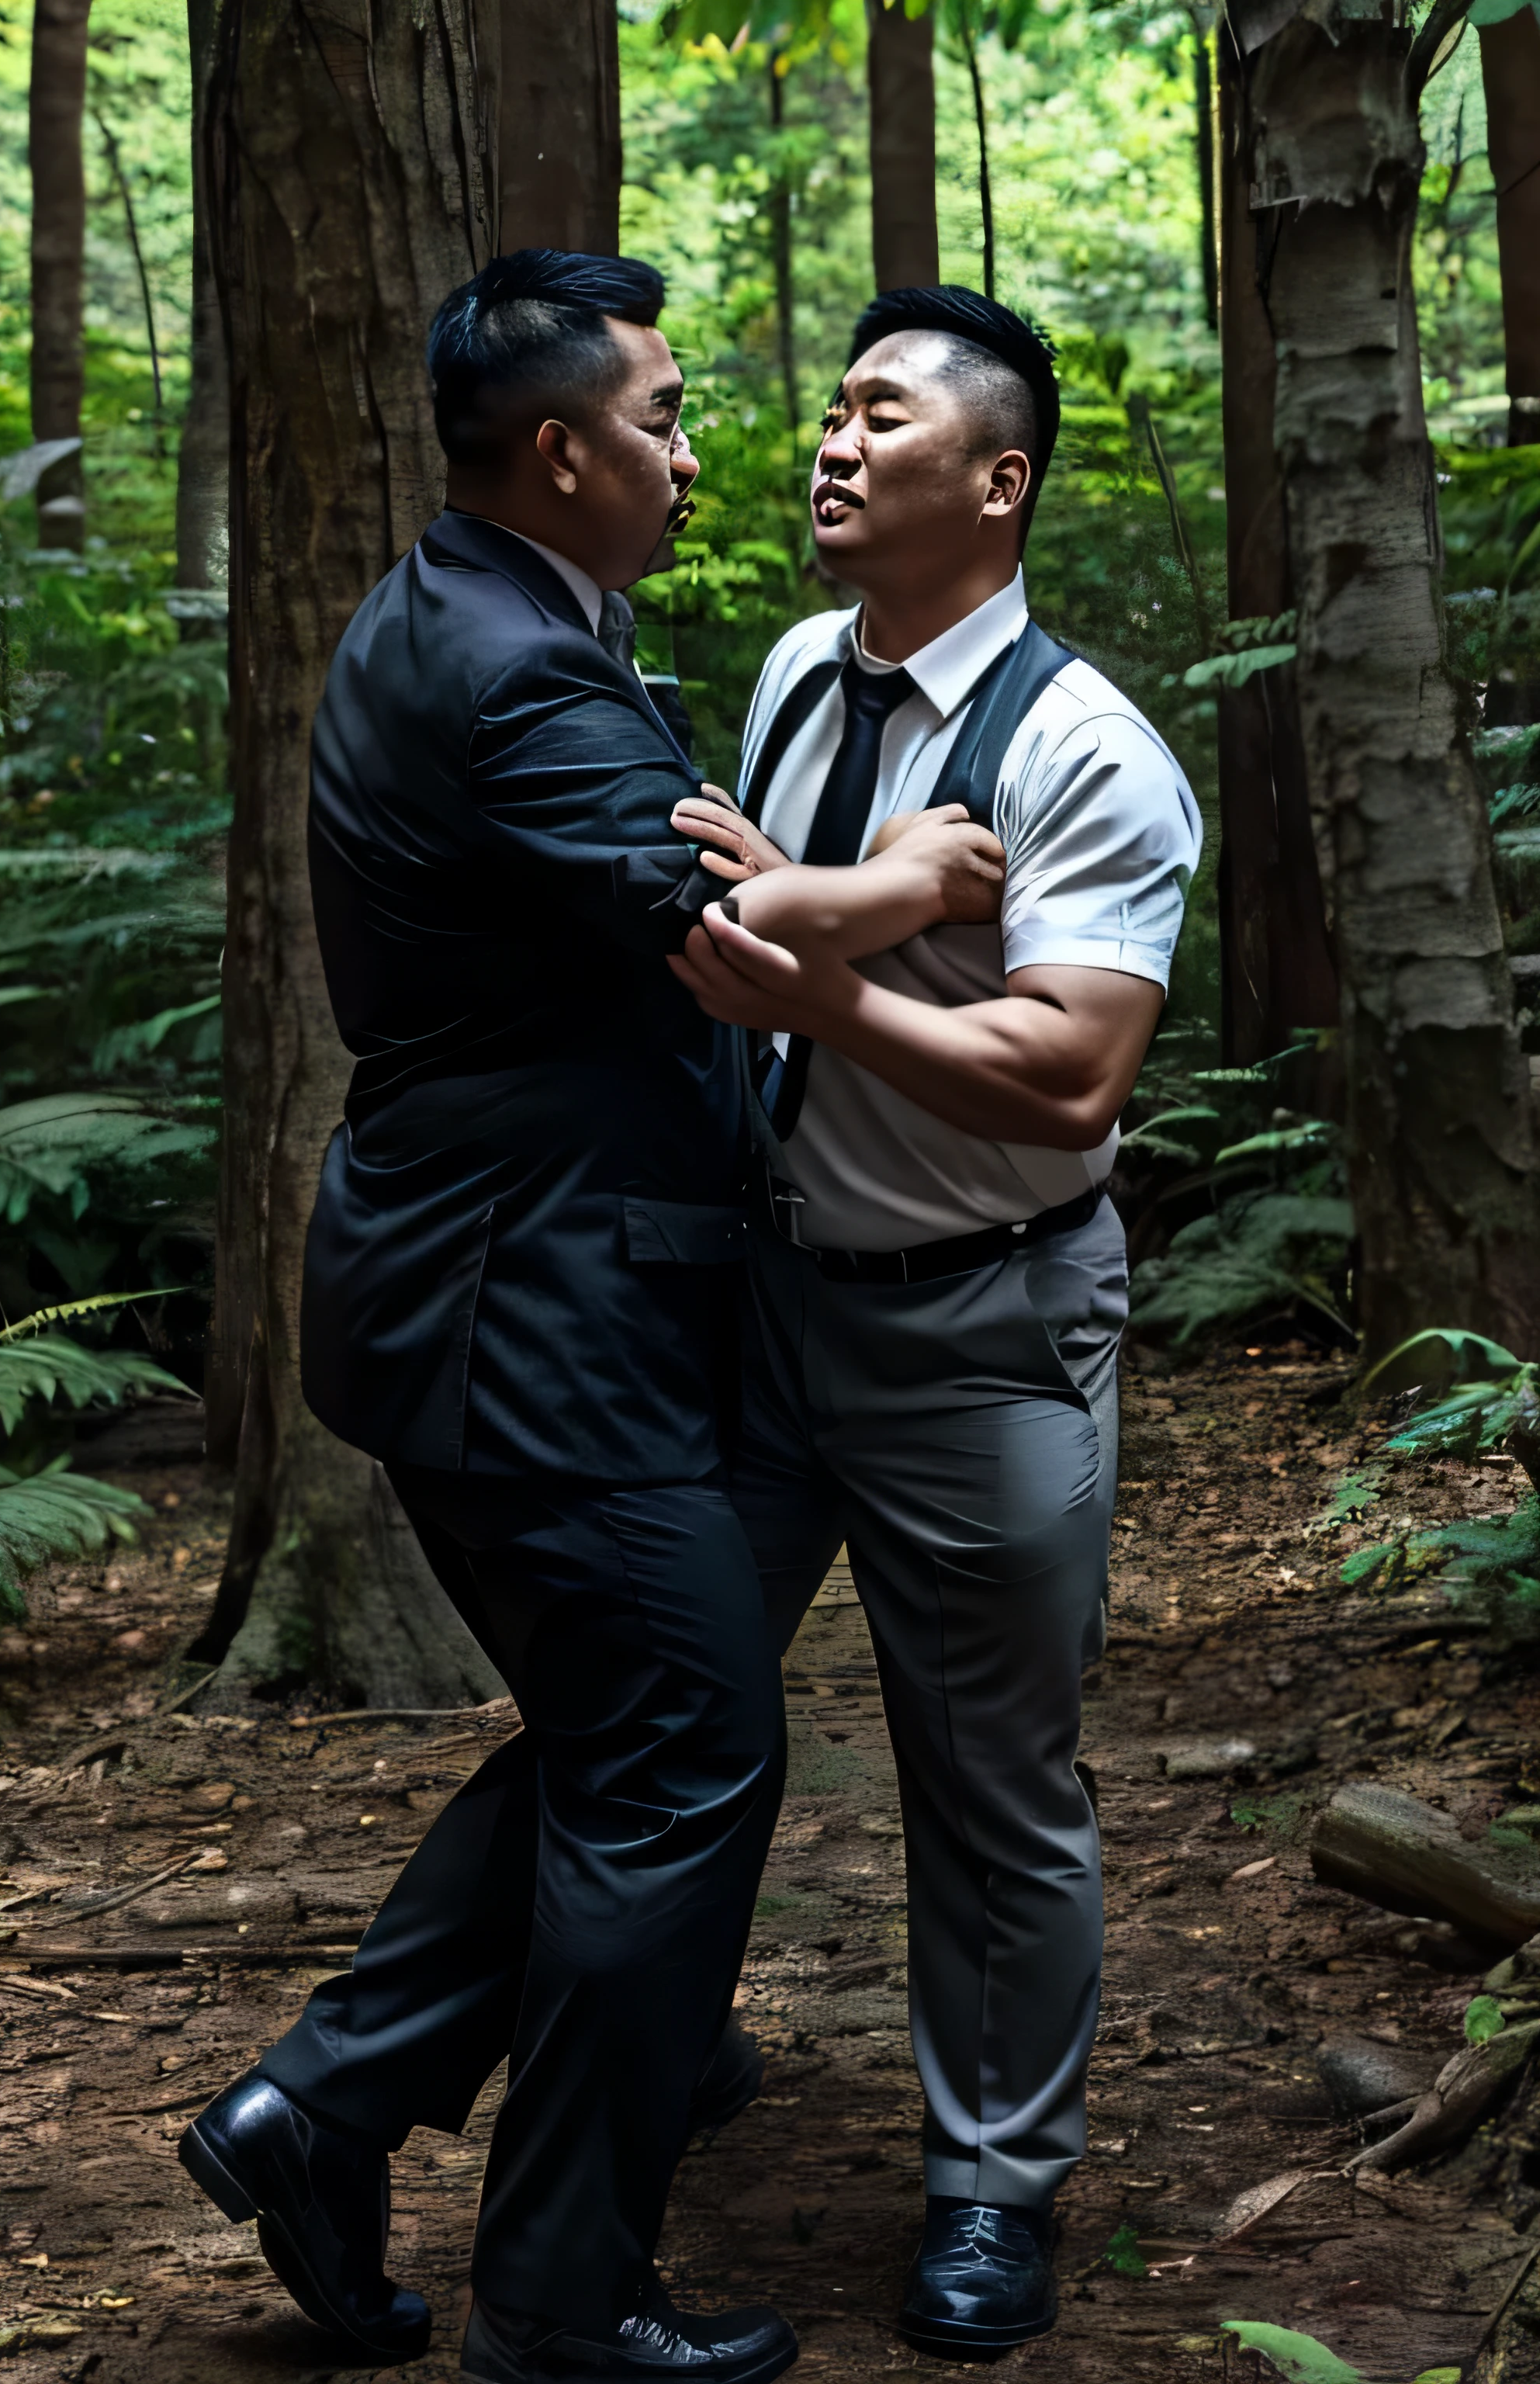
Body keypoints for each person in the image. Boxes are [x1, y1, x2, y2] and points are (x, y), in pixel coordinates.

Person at [178, 250, 1001, 2384]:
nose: (696, 446)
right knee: (687, 1758)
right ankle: (557, 2291)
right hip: (527, 1315)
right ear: (559, 450)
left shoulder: (492, 615)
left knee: (633, 1741)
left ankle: (327, 2108)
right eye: (659, 414)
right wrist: (915, 879)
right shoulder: (518, 669)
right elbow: (718, 930)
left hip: (519, 1295)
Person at [666, 284, 1203, 2358]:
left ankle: (992, 2188)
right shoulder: (805, 671)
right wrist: (860, 913)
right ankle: (669, 2031)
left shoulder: (1089, 752)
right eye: (826, 409)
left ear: (997, 480)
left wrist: (837, 995)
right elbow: (730, 904)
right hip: (769, 1298)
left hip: (987, 1332)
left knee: (990, 1782)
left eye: (878, 415)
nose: (826, 440)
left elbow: (1075, 1080)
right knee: (669, 1690)